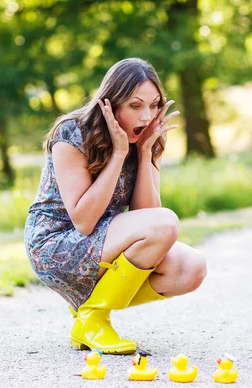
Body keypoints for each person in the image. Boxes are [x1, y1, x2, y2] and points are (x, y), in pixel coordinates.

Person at [24, 58, 207, 355]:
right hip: (56, 243)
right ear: (110, 103)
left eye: (153, 105)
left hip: (104, 238)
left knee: (191, 268)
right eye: (135, 106)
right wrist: (119, 154)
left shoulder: (146, 138)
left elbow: (145, 215)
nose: (147, 116)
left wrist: (145, 153)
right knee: (166, 222)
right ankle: (95, 319)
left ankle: (89, 314)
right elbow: (83, 221)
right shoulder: (73, 133)